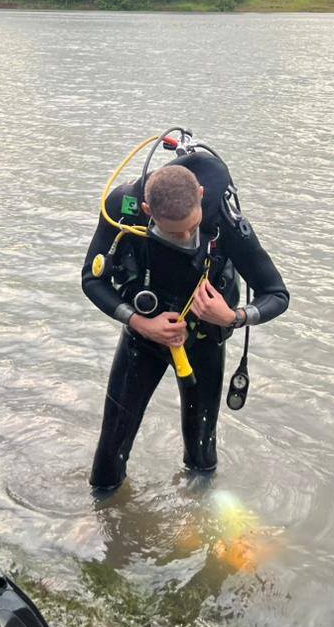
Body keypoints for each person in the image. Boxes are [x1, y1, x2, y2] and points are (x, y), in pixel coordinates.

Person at [81, 137, 289, 491]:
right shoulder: (123, 210)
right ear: (147, 211)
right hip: (142, 339)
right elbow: (91, 279)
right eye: (175, 232)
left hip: (205, 339)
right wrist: (140, 323)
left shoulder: (223, 221)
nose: (189, 235)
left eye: (193, 226)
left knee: (202, 451)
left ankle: (202, 507)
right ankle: (104, 511)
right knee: (110, 451)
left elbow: (277, 294)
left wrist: (232, 317)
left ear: (201, 196)